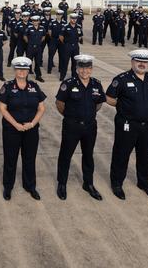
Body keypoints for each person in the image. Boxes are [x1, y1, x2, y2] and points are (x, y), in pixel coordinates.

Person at [106, 49, 148, 200]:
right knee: (121, 154)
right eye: (139, 61)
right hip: (128, 125)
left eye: (145, 62)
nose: (142, 64)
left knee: (145, 155)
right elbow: (110, 98)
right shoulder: (122, 79)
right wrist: (126, 107)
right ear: (132, 62)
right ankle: (117, 183)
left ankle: (143, 182)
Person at [55, 54, 105, 201]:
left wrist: (87, 115)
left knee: (88, 155)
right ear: (77, 69)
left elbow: (99, 103)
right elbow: (60, 103)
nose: (85, 71)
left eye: (88, 68)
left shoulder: (96, 84)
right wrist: (71, 116)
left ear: (92, 69)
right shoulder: (68, 83)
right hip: (72, 126)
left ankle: (88, 183)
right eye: (82, 68)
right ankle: (62, 184)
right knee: (66, 155)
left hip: (90, 126)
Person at [0, 57, 46, 201]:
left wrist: (32, 123)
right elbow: (2, 108)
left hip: (31, 129)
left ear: (28, 70)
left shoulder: (34, 86)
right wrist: (16, 125)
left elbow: (41, 108)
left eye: (24, 69)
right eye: (19, 69)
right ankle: (8, 186)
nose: (22, 72)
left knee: (30, 158)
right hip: (12, 129)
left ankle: (30, 186)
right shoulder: (7, 86)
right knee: (10, 158)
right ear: (14, 70)